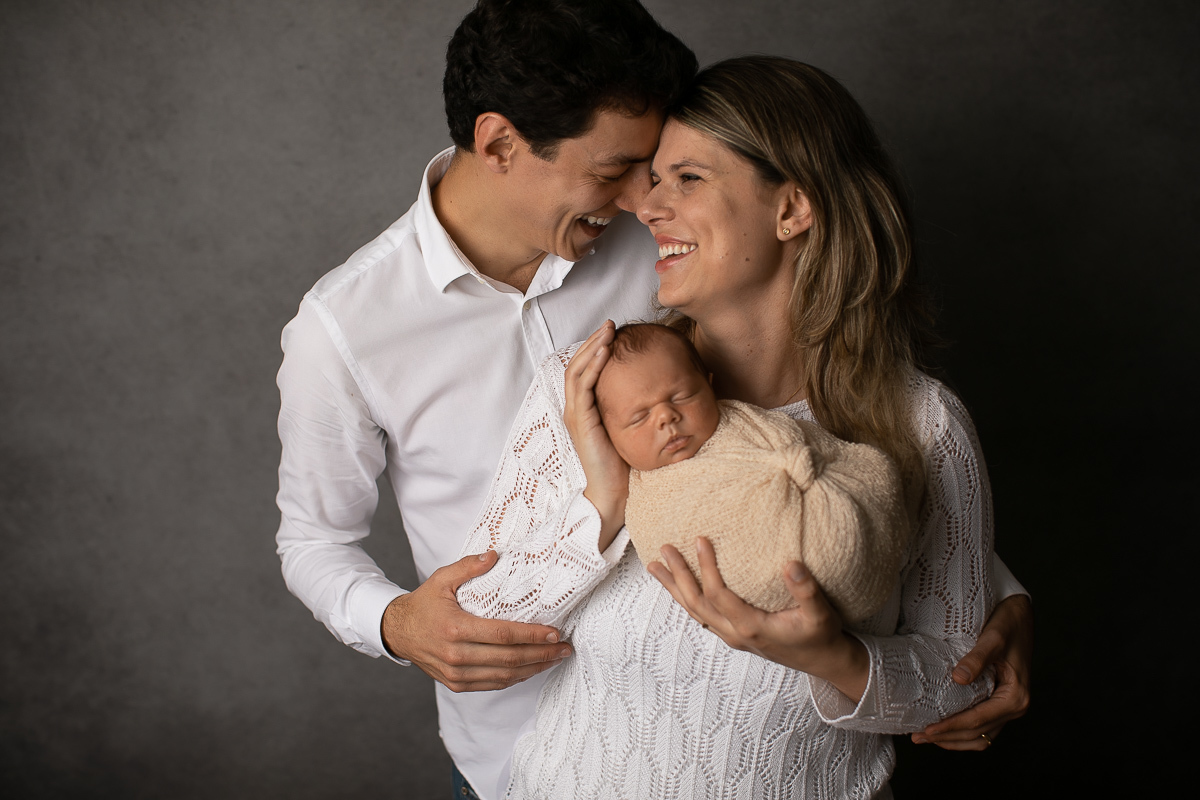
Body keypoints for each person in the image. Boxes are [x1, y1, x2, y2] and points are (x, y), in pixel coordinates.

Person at [273, 2, 1030, 798]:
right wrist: (397, 622)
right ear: (499, 145)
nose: (643, 200)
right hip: (509, 751)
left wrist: (990, 598)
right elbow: (316, 540)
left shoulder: (673, 244)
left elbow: (849, 480)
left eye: (668, 174)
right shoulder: (351, 326)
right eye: (617, 171)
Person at [453, 56, 1008, 797]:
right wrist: (604, 499)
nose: (647, 207)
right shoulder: (593, 386)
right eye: (654, 178)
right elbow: (475, 620)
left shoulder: (922, 424)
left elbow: (964, 682)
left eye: (687, 178)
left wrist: (833, 658)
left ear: (792, 210)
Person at [594, 321, 909, 621]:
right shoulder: (647, 499)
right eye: (639, 417)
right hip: (781, 574)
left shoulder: (744, 421)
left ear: (710, 386)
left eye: (682, 396)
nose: (666, 417)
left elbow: (812, 445)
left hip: (842, 522)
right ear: (608, 435)